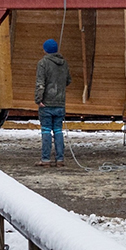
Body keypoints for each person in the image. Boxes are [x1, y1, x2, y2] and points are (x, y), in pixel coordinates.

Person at [35, 38, 72, 167]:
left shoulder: (43, 63)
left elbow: (40, 83)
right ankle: (60, 159)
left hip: (46, 103)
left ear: (45, 50)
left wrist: (39, 99)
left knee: (46, 131)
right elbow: (68, 80)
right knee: (58, 131)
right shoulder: (64, 63)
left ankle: (45, 159)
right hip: (60, 103)